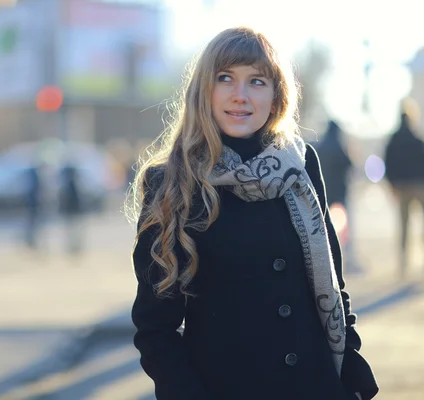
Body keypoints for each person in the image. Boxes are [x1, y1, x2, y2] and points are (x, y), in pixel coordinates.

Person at [127, 27, 378, 400]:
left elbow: (333, 286)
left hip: (317, 385)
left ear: (276, 97)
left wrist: (352, 371)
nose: (240, 96)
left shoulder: (301, 165)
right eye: (225, 78)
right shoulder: (170, 181)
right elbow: (155, 328)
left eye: (257, 81)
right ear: (203, 92)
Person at [384, 98, 424, 278]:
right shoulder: (417, 139)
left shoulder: (393, 140)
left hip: (401, 187)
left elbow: (388, 163)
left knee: (404, 225)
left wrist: (392, 184)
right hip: (418, 185)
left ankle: (403, 262)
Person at [315, 119, 360, 273]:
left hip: (324, 195)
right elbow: (350, 166)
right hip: (340, 193)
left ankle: (328, 261)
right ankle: (348, 259)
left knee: (326, 228)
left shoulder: (321, 147)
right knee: (345, 228)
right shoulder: (339, 147)